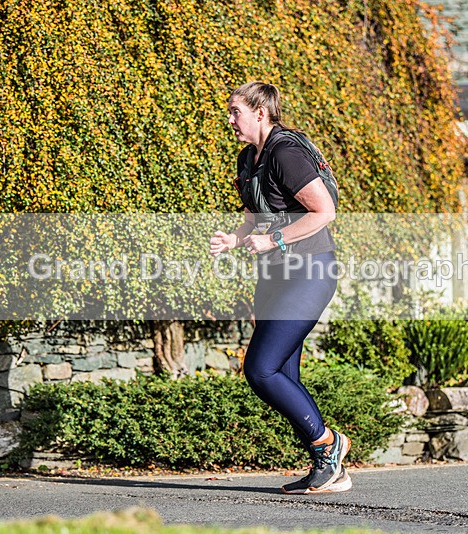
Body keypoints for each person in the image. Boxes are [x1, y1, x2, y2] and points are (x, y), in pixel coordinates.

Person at [209, 82, 351, 494]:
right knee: (284, 374)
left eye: (235, 111)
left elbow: (324, 211)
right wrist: (235, 239)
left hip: (309, 271)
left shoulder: (285, 152)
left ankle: (329, 445)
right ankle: (329, 468)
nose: (230, 119)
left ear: (260, 112)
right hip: (273, 276)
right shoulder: (247, 158)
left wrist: (273, 240)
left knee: (260, 368)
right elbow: (255, 217)